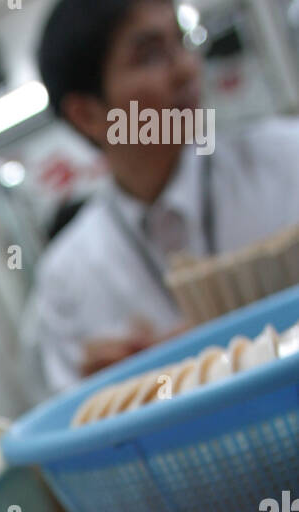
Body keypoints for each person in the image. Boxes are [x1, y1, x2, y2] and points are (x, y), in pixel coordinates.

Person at [27, 0, 299, 394]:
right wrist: (117, 390)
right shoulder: (67, 277)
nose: (187, 69)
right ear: (86, 113)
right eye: (151, 56)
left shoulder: (285, 158)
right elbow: (83, 426)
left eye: (182, 42)